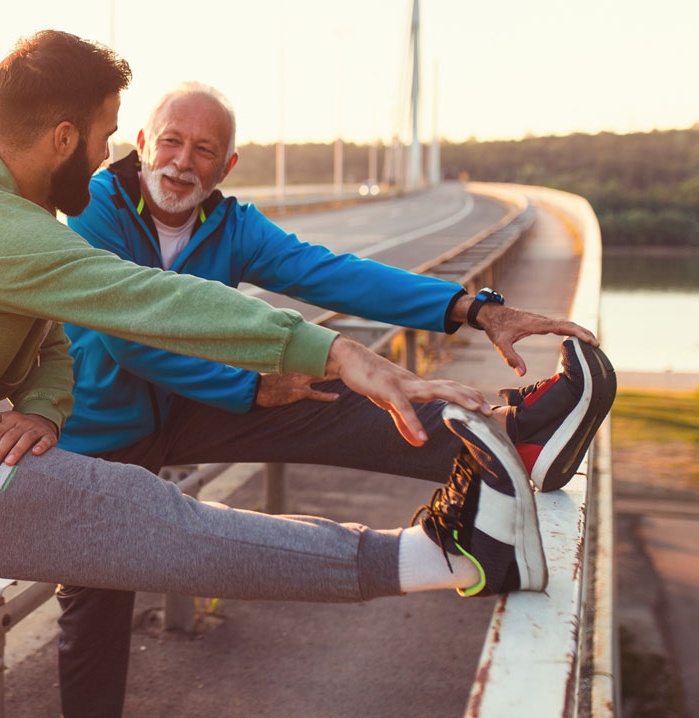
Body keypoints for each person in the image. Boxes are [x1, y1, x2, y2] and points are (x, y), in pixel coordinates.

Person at [0, 32, 588, 717]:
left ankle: (506, 441)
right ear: (68, 137)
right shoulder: (2, 224)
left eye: (200, 149)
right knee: (152, 521)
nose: (128, 153)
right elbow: (140, 304)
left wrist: (40, 407)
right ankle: (445, 558)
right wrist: (330, 351)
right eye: (117, 134)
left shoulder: (10, 209)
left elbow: (47, 340)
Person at [57, 82, 617, 717]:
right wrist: (250, 385)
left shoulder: (232, 226)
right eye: (172, 142)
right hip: (101, 433)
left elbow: (334, 273)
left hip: (190, 406)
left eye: (205, 150)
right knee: (95, 608)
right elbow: (129, 335)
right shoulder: (94, 211)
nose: (183, 162)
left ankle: (518, 440)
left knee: (323, 391)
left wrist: (474, 309)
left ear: (229, 166)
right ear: (142, 145)